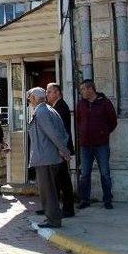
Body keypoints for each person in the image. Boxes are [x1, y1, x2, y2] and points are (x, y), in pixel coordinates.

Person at [27, 87, 71, 228]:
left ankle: (53, 220)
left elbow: (53, 134)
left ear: (34, 98)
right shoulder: (50, 110)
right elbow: (64, 133)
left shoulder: (41, 111)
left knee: (48, 192)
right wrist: (63, 149)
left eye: (30, 99)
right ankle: (53, 218)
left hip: (45, 158)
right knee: (51, 190)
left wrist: (64, 150)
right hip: (50, 157)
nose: (29, 102)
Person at [76, 79, 118, 210]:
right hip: (85, 145)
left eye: (83, 89)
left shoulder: (104, 102)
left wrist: (103, 133)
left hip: (101, 144)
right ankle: (84, 199)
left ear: (90, 89)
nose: (81, 92)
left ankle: (107, 199)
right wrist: (82, 133)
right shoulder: (81, 104)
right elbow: (78, 120)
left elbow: (113, 121)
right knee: (85, 174)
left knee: (105, 172)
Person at [45, 83, 76, 218]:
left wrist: (62, 149)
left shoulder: (61, 107)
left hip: (61, 150)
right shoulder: (55, 107)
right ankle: (54, 207)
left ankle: (68, 209)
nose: (47, 94)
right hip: (58, 150)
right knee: (57, 180)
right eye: (47, 92)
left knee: (63, 179)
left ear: (57, 93)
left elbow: (60, 132)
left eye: (49, 92)